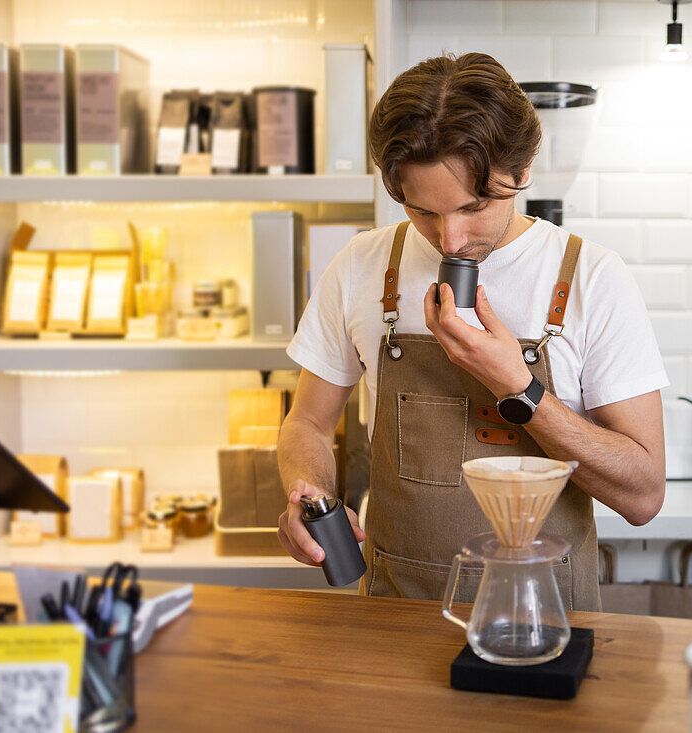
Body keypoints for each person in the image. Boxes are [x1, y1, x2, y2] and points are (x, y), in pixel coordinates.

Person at [276, 52, 667, 611]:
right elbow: (308, 422)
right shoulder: (362, 267)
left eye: (474, 206)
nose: (451, 239)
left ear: (524, 169)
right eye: (423, 212)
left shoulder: (592, 279)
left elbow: (644, 493)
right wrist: (308, 491)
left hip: (546, 625)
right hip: (395, 613)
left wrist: (519, 388)